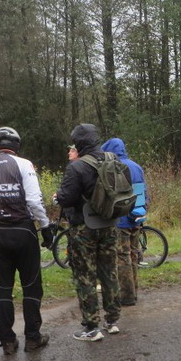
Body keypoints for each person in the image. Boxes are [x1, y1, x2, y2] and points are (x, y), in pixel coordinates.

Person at [0, 126, 54, 355]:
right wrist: (45, 226)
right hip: (23, 231)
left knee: (2, 289)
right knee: (31, 286)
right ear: (16, 145)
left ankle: (7, 340)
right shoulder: (24, 164)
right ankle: (33, 338)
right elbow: (34, 201)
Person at [54, 123, 120, 341]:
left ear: (79, 143)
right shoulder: (112, 159)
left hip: (84, 228)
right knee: (109, 271)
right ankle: (112, 320)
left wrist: (58, 197)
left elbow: (67, 198)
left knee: (85, 276)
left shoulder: (77, 167)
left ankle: (92, 327)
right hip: (109, 224)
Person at [101, 137, 147, 309]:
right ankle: (134, 291)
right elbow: (144, 191)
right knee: (134, 254)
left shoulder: (113, 168)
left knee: (122, 256)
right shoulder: (136, 166)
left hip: (121, 219)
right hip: (137, 216)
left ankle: (126, 295)